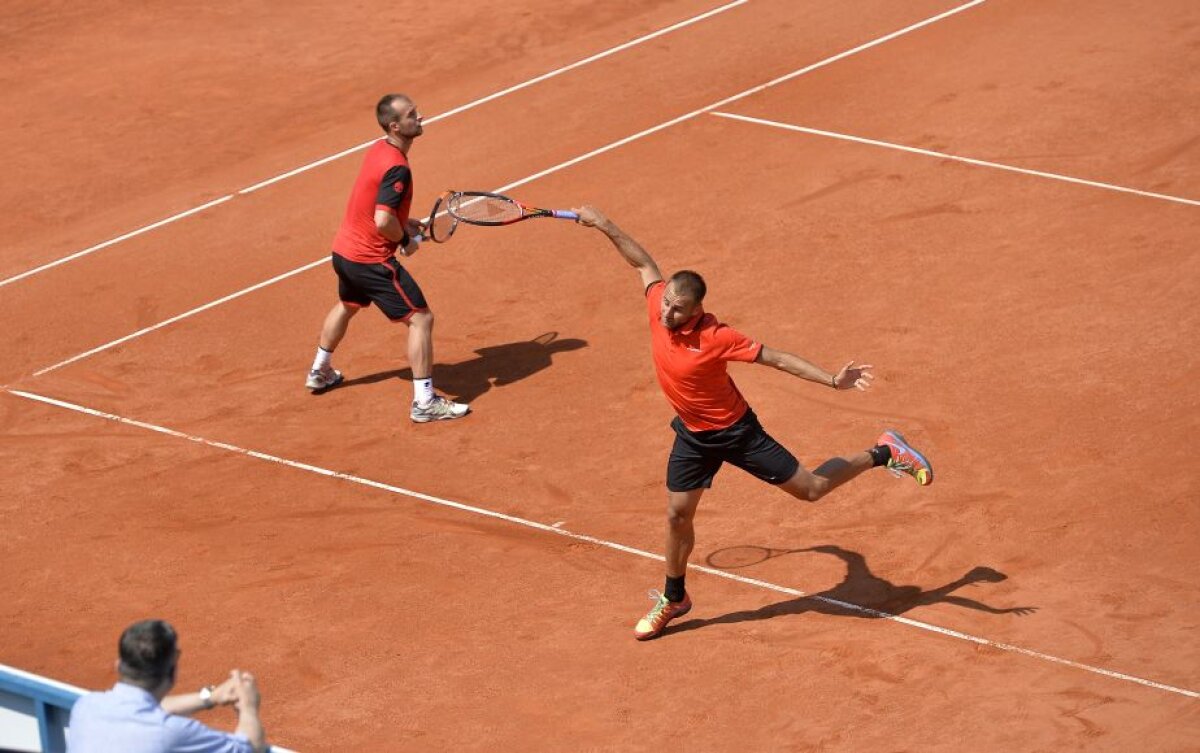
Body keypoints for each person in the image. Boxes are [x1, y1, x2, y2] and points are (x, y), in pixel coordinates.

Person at [573, 206, 935, 640]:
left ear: (697, 309)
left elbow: (777, 358)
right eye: (667, 303)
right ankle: (674, 597)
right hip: (693, 435)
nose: (667, 313)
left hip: (738, 433)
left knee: (812, 490)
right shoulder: (657, 301)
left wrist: (831, 380)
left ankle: (884, 451)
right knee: (676, 515)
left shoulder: (717, 337)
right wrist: (604, 225)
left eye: (678, 308)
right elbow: (641, 261)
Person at [305, 93, 469, 423]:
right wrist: (406, 239)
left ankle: (319, 371)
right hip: (370, 260)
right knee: (421, 319)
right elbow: (382, 221)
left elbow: (376, 210)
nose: (420, 117)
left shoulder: (379, 150)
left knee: (348, 305)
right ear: (395, 125)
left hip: (344, 253)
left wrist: (405, 223)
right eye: (412, 114)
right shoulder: (398, 167)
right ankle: (424, 402)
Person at [68, 619, 267, 752]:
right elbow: (250, 748)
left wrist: (210, 697)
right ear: (173, 666)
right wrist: (248, 706)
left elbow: (142, 711)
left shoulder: (86, 707)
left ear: (118, 665)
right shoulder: (173, 733)